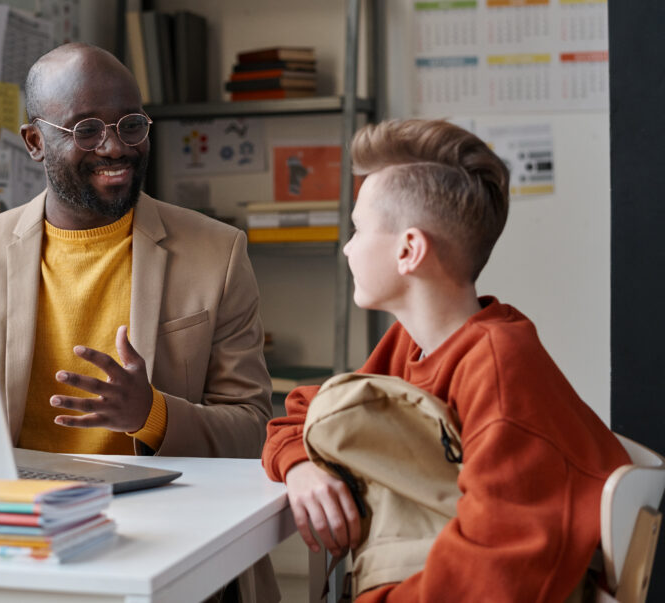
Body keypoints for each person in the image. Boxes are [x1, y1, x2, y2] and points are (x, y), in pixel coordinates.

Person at [0, 43, 277, 602]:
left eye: (130, 124)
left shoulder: (216, 254)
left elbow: (251, 430)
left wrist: (151, 413)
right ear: (34, 142)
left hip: (166, 534)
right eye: (87, 129)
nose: (115, 146)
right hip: (18, 538)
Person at [262, 119, 630, 601]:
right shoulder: (409, 344)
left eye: (358, 230)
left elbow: (498, 567)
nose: (348, 249)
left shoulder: (501, 367)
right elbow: (295, 417)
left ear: (409, 250)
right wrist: (300, 469)